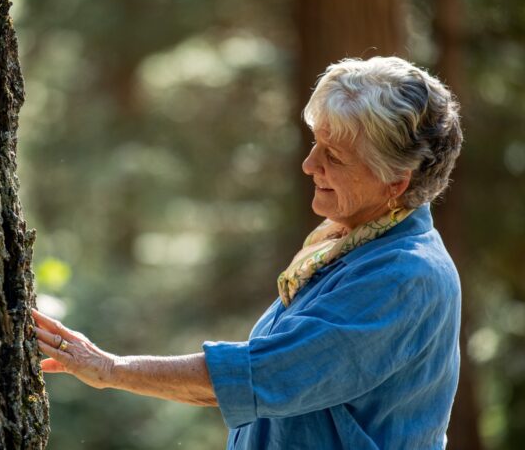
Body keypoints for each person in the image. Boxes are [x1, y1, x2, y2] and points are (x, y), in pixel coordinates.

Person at [33, 56, 463, 449]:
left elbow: (267, 376)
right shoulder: (347, 246)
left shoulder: (404, 275)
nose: (310, 164)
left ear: (396, 182)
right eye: (315, 143)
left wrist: (112, 369)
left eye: (333, 155)